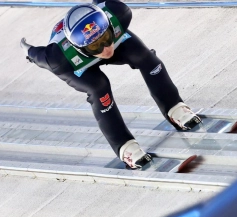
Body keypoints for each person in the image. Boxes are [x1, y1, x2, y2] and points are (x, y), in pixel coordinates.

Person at [19, 0, 201, 169]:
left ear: (108, 23)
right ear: (78, 48)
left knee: (145, 57)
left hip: (109, 42)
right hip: (78, 66)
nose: (106, 49)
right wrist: (26, 48)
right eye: (95, 46)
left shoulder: (118, 13)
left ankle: (175, 107)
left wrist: (101, 43)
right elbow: (37, 55)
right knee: (99, 87)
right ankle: (125, 147)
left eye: (106, 38)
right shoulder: (58, 59)